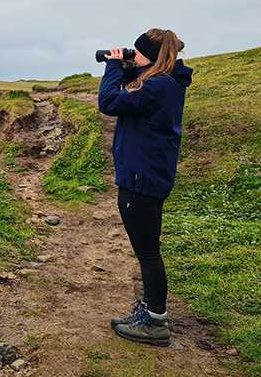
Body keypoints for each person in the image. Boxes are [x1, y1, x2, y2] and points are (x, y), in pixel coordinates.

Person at [97, 28, 193, 346]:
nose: (131, 58)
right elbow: (132, 95)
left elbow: (109, 102)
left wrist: (113, 66)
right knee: (148, 250)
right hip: (149, 176)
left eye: (136, 54)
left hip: (140, 180)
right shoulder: (166, 83)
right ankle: (151, 313)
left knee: (148, 253)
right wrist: (129, 67)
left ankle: (155, 323)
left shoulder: (157, 87)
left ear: (150, 58)